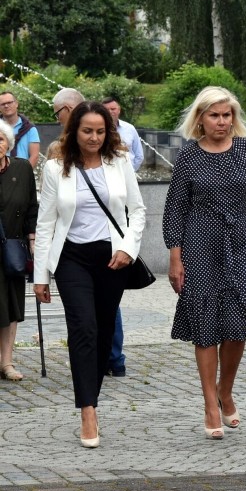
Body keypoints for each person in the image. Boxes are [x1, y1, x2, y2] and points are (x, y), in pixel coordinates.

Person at [33, 101, 146, 448]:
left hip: (112, 257)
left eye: (100, 131)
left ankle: (91, 396)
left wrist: (128, 249)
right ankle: (88, 410)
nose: (94, 137)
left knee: (103, 330)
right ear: (73, 131)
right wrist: (41, 275)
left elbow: (137, 211)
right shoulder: (55, 168)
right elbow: (46, 222)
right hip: (71, 259)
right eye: (87, 131)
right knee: (82, 328)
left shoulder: (120, 161)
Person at [163, 86, 246, 440]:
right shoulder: (189, 156)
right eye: (214, 115)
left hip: (241, 243)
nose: (222, 122)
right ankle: (211, 402)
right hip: (199, 245)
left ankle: (226, 390)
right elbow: (175, 208)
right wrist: (175, 256)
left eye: (227, 115)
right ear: (200, 119)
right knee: (206, 321)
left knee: (238, 323)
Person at [102, 96, 144, 378]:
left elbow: (138, 157)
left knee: (110, 302)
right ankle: (100, 357)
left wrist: (128, 247)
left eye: (114, 109)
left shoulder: (128, 135)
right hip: (81, 248)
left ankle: (115, 358)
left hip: (115, 237)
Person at [0, 121, 37, 382]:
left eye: (1, 139)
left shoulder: (22, 169)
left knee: (10, 306)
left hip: (12, 247)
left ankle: (7, 362)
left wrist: (33, 239)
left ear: (8, 143)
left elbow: (32, 207)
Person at [0, 91, 40, 169]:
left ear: (16, 104)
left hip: (23, 172)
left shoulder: (30, 129)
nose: (6, 106)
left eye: (9, 102)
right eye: (2, 104)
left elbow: (34, 156)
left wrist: (24, 174)